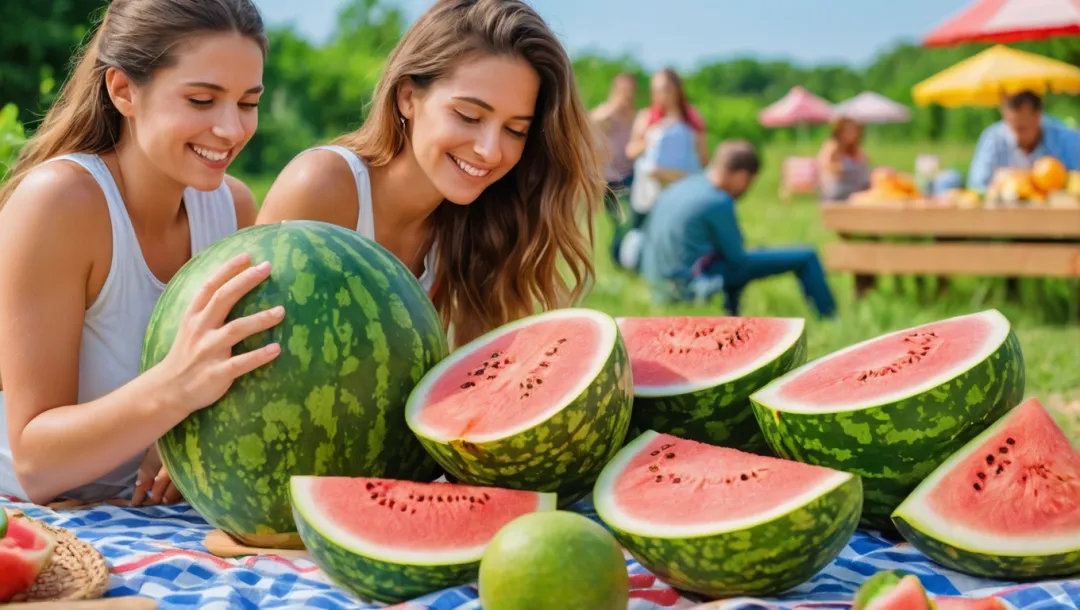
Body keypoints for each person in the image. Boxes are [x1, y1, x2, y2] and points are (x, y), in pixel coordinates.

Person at [0, 0, 281, 507]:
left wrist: (174, 439)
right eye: (201, 100)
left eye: (247, 103)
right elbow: (37, 464)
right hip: (36, 513)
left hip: (158, 516)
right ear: (123, 90)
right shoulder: (60, 203)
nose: (232, 130)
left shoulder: (232, 207)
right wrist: (172, 395)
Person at [257, 0, 605, 349]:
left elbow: (476, 374)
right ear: (407, 97)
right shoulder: (322, 185)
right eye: (469, 116)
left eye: (515, 130)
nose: (491, 151)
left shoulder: (471, 224)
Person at [639, 140, 837, 318]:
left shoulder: (680, 186)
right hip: (690, 286)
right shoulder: (718, 200)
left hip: (658, 285)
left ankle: (732, 315)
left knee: (728, 263)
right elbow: (737, 257)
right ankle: (830, 318)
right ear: (742, 176)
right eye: (749, 183)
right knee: (806, 256)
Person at [623, 68, 709, 224]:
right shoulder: (647, 116)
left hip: (683, 187)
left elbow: (704, 159)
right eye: (657, 90)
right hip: (651, 191)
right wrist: (653, 136)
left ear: (677, 89)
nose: (662, 95)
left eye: (666, 89)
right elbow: (631, 151)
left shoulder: (693, 118)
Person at [967, 90, 1080, 192]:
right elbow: (976, 186)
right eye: (1010, 127)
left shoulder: (1068, 138)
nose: (1014, 136)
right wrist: (995, 184)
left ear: (1038, 117)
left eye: (1021, 129)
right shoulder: (992, 138)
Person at [590, 72, 637, 219]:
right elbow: (589, 122)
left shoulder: (632, 115)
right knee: (620, 220)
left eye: (630, 90)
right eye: (623, 90)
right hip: (610, 178)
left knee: (631, 218)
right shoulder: (606, 113)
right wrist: (615, 105)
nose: (627, 94)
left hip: (629, 175)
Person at [817, 115, 871, 201]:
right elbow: (823, 164)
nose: (851, 133)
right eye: (847, 130)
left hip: (856, 188)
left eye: (854, 130)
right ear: (840, 131)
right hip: (836, 190)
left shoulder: (856, 149)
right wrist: (837, 168)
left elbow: (865, 165)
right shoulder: (832, 146)